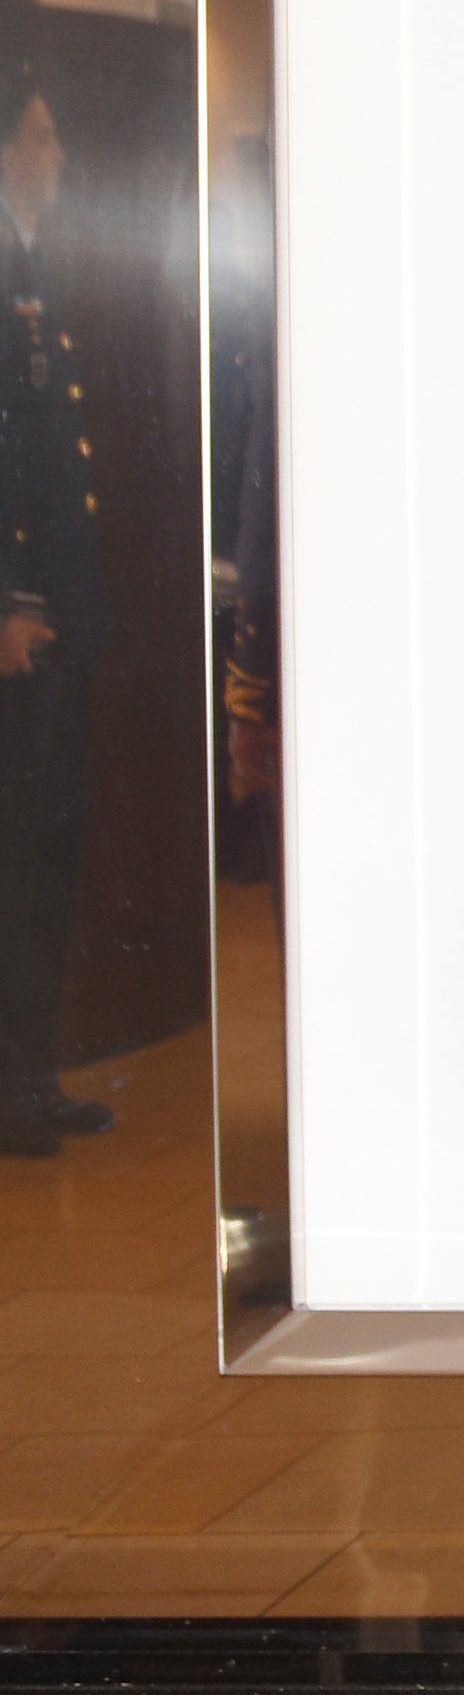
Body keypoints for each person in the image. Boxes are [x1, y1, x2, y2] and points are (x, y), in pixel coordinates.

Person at [0, 59, 103, 1160]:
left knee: (47, 852)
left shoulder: (32, 261)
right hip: (21, 625)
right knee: (19, 857)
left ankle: (31, 1073)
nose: (58, 154)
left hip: (60, 611)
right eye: (42, 134)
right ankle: (14, 1085)